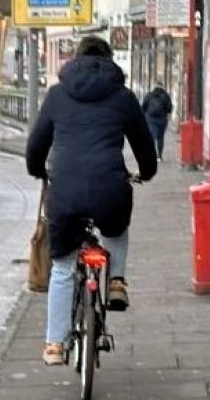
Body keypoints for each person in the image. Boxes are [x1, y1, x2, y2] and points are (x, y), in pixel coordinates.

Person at [26, 35, 159, 366]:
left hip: (65, 189)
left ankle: (55, 345)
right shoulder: (123, 96)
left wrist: (38, 170)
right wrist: (146, 172)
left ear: (75, 59)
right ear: (111, 60)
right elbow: (144, 145)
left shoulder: (57, 95)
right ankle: (116, 281)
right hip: (109, 186)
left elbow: (36, 146)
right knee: (116, 227)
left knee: (62, 266)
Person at [141, 84, 174, 160]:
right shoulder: (166, 96)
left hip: (151, 119)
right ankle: (159, 156)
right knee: (160, 138)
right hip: (162, 120)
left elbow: (143, 107)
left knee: (152, 137)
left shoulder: (149, 95)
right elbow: (169, 108)